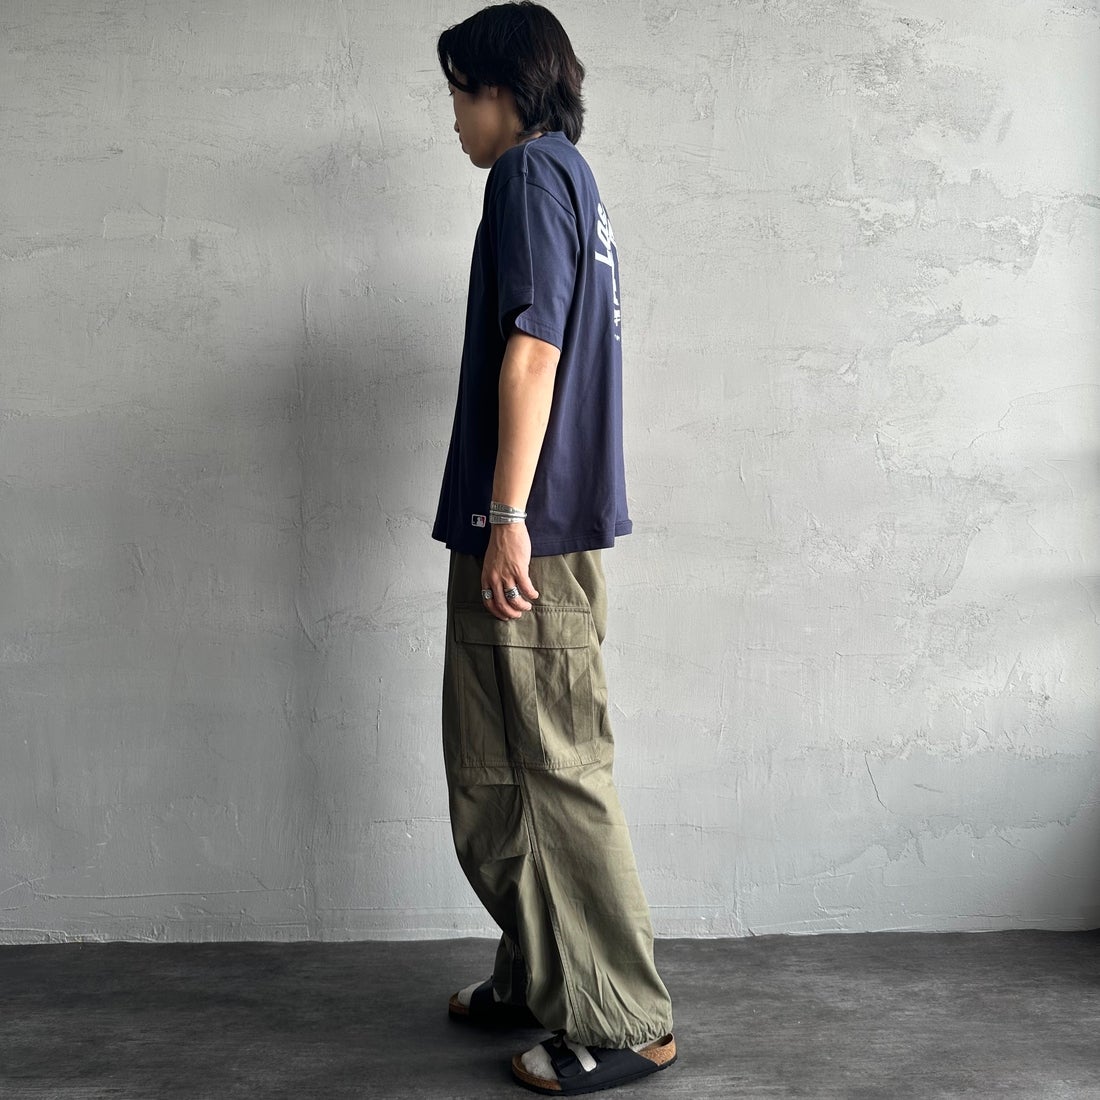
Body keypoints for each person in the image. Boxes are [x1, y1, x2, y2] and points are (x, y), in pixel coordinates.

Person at [432, 4, 676, 1093]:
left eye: (459, 93)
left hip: (531, 533)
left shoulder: (530, 176)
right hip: (533, 527)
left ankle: (623, 1020)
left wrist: (506, 517)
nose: (453, 117)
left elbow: (533, 351)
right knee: (500, 769)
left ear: (506, 92)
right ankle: (545, 970)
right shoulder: (568, 178)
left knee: (551, 770)